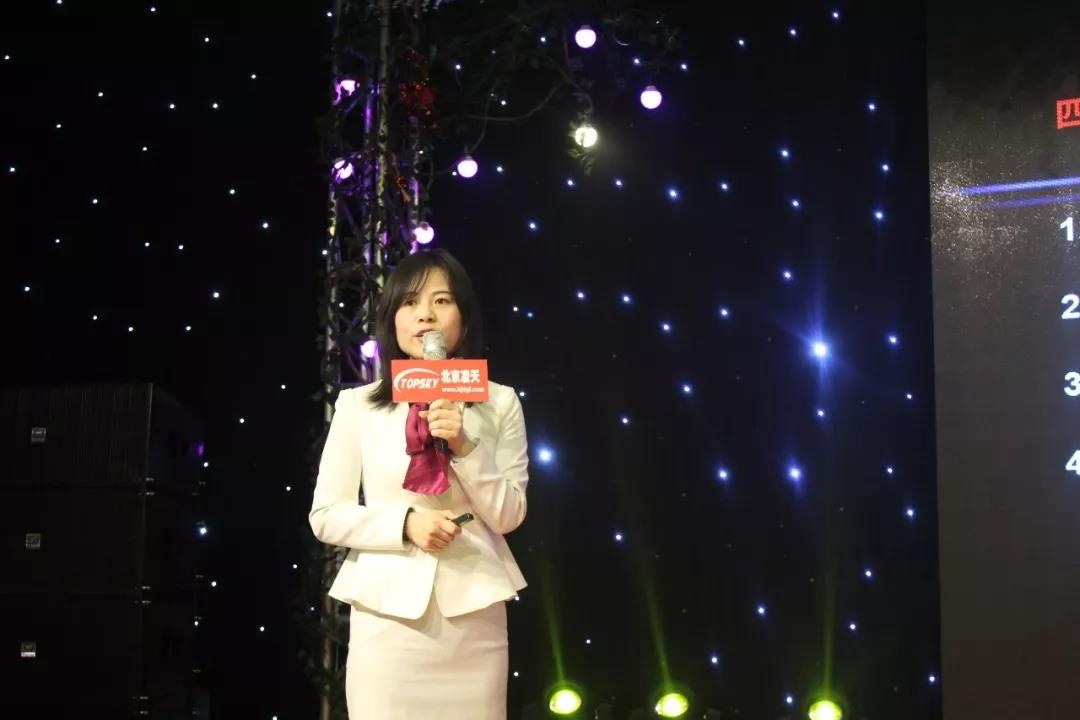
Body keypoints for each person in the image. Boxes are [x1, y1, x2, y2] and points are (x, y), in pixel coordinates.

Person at [309, 248, 529, 720]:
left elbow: (509, 514)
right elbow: (326, 515)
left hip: (474, 620)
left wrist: (464, 446)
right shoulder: (359, 406)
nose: (425, 314)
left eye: (441, 301)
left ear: (464, 318)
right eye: (409, 302)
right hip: (388, 623)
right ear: (393, 318)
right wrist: (406, 525)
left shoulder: (500, 402)